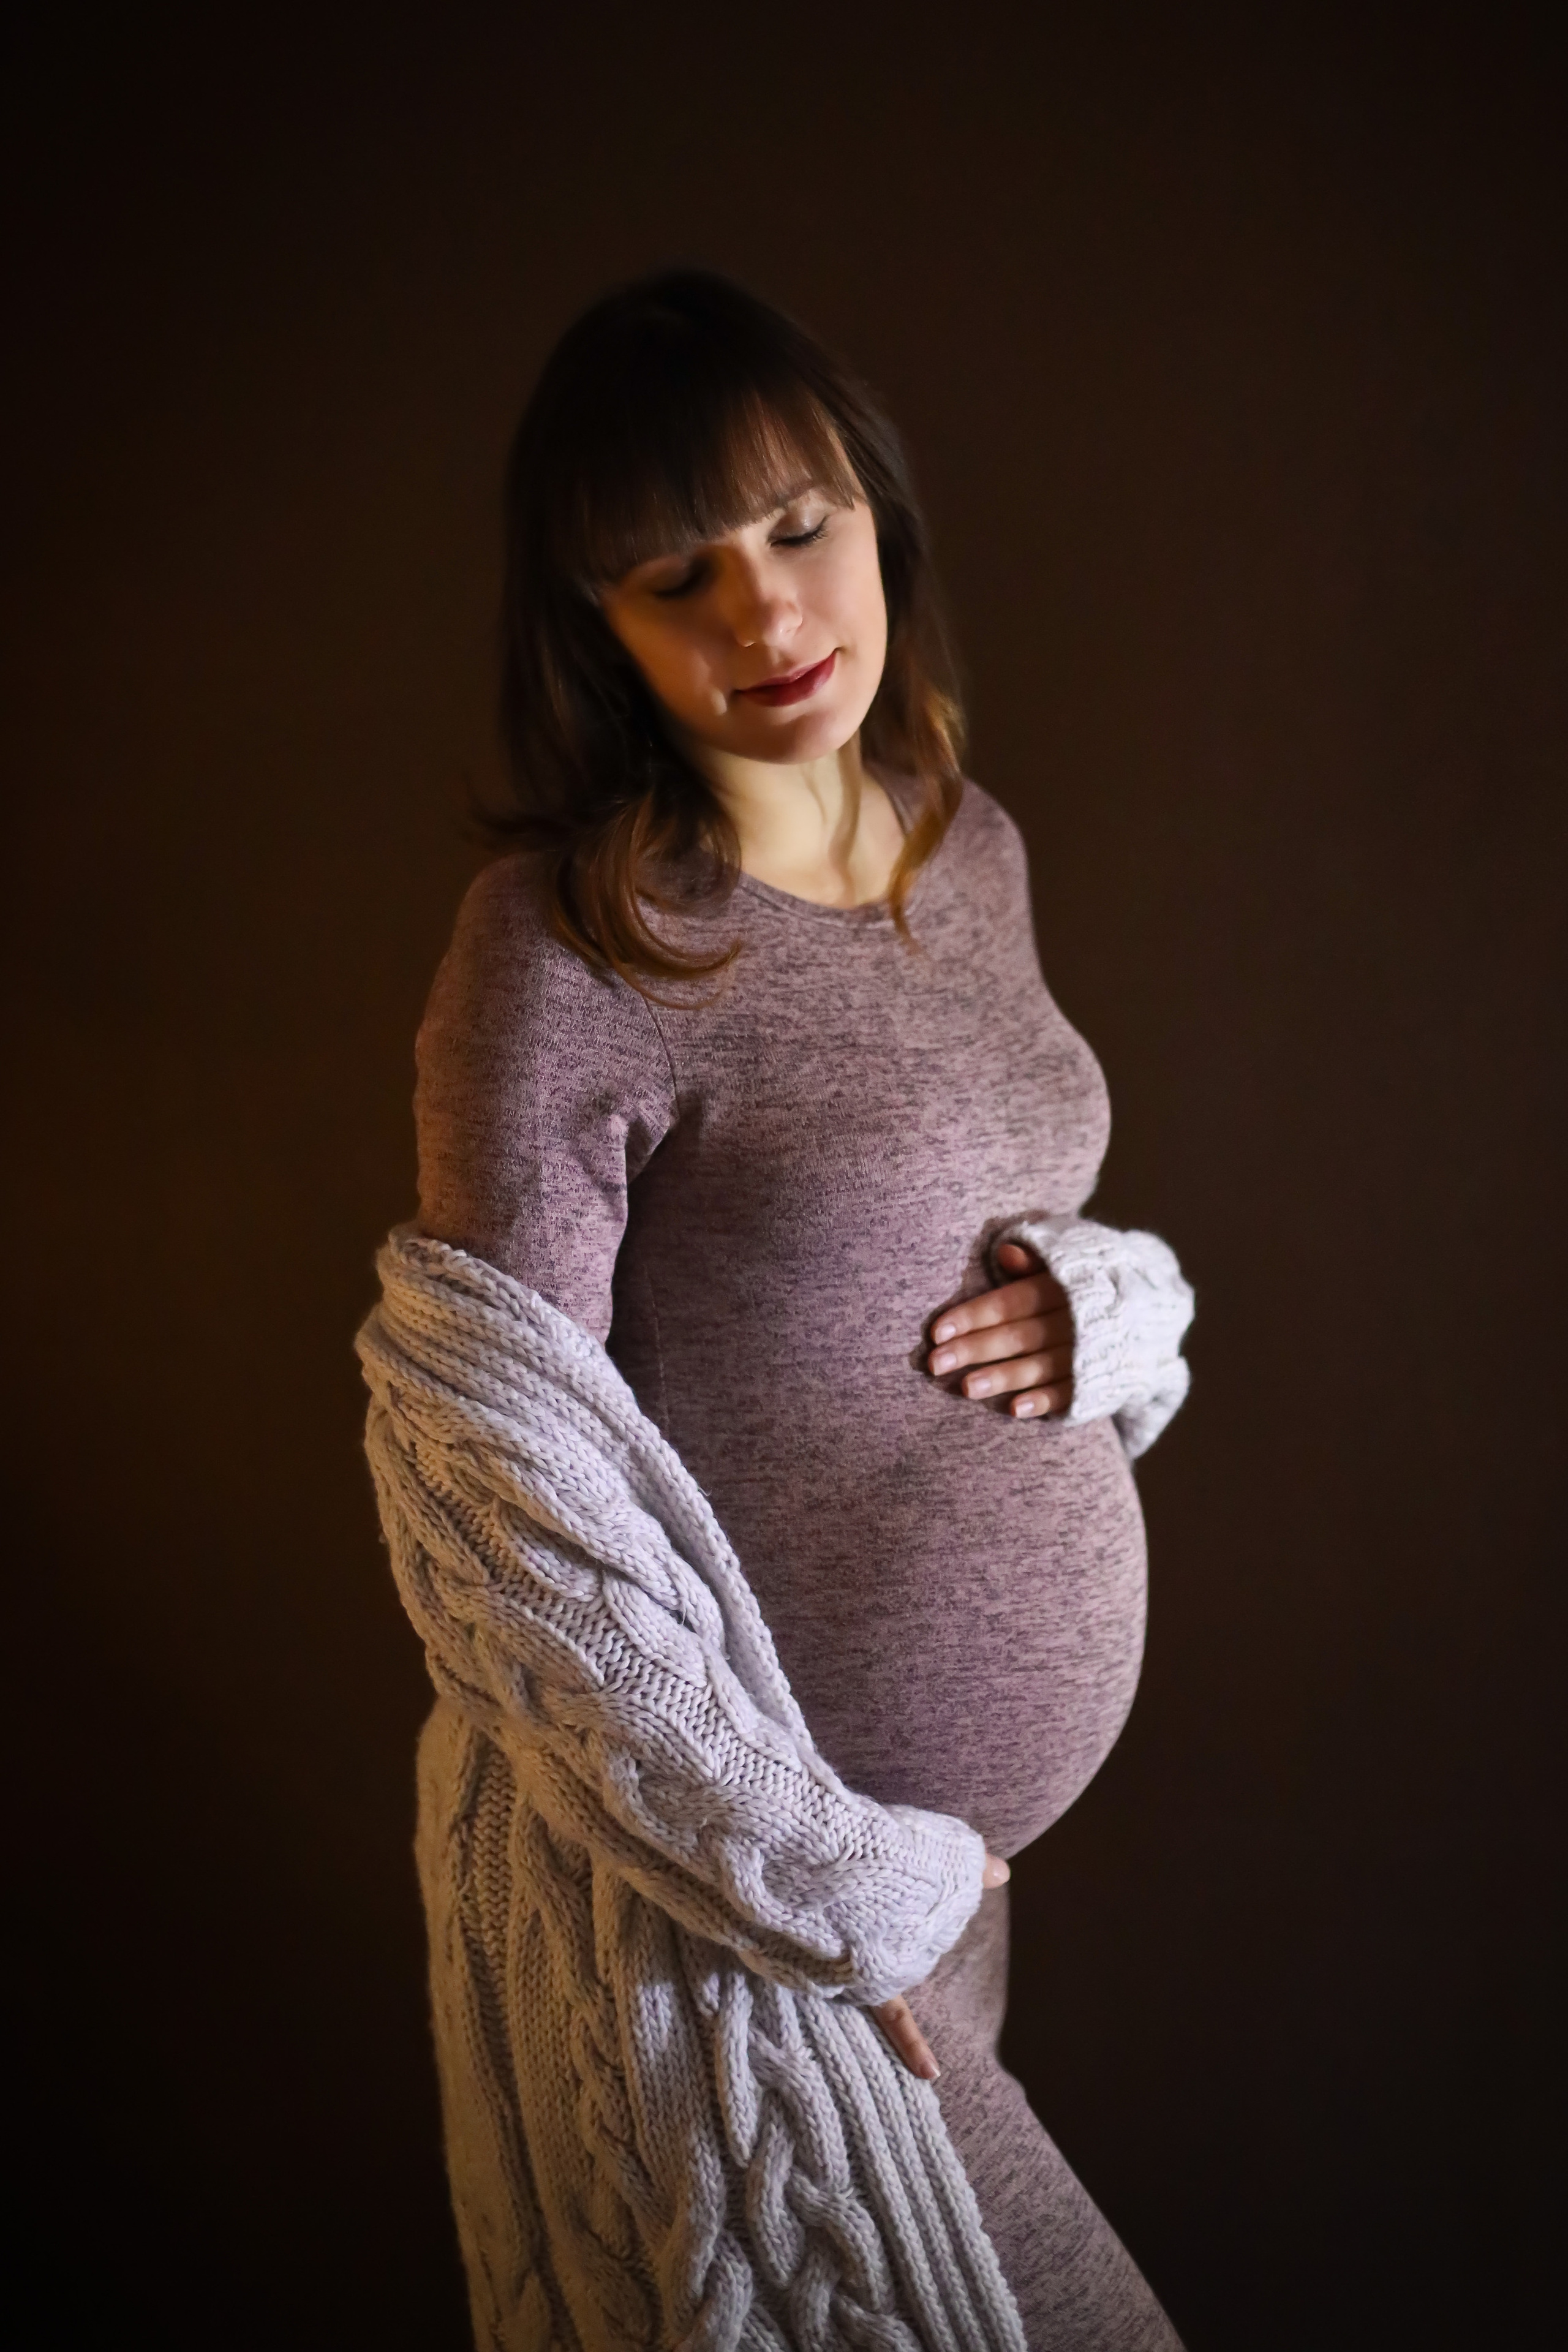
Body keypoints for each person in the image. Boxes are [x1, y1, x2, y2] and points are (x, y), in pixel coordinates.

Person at [403, 266, 1193, 2348]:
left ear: (876, 512)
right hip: (746, 1925)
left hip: (957, 1908)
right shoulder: (572, 945)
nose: (762, 615)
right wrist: (846, 1884)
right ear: (600, 626)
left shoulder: (972, 841)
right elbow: (505, 1517)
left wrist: (1112, 1314)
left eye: (796, 528)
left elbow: (997, 1216)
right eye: (676, 576)